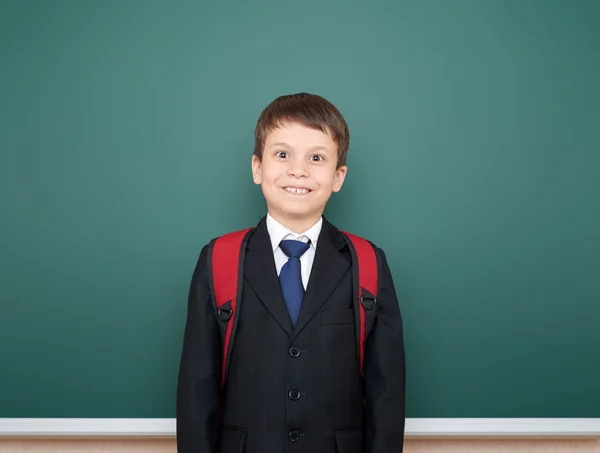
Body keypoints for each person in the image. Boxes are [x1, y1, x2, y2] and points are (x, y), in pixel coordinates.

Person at [177, 92, 406, 453]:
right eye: (282, 155)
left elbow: (386, 394)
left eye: (317, 158)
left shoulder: (368, 263)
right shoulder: (218, 259)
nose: (298, 170)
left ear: (338, 176)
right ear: (257, 168)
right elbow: (196, 388)